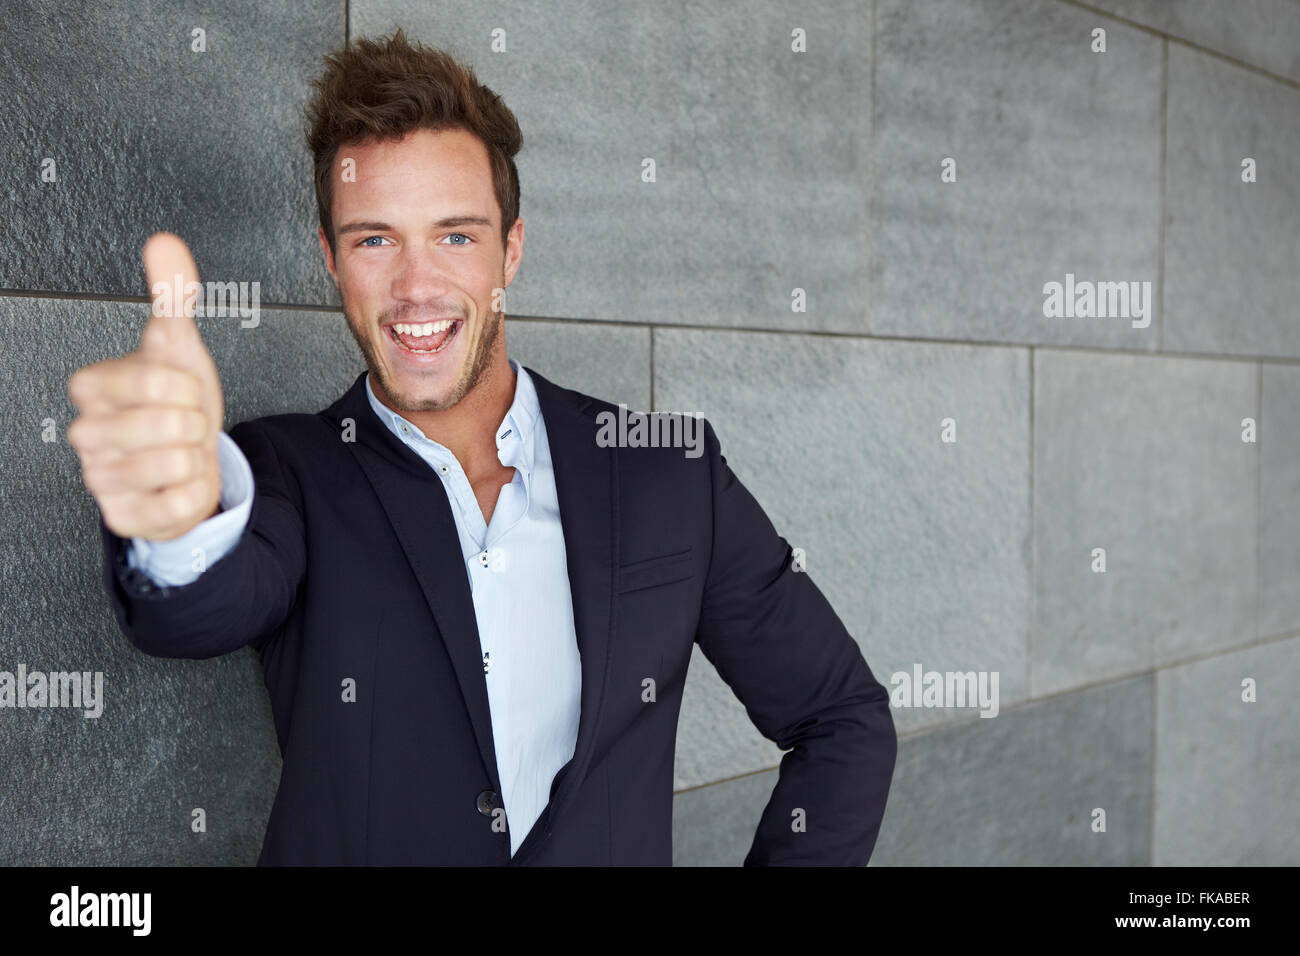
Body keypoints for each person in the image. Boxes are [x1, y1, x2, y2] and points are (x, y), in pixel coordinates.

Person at [66, 29, 896, 866]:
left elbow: (841, 720)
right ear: (330, 259)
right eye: (374, 239)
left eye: (456, 237)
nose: (416, 286)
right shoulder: (286, 474)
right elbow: (200, 610)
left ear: (513, 248)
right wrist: (174, 525)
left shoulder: (666, 470)